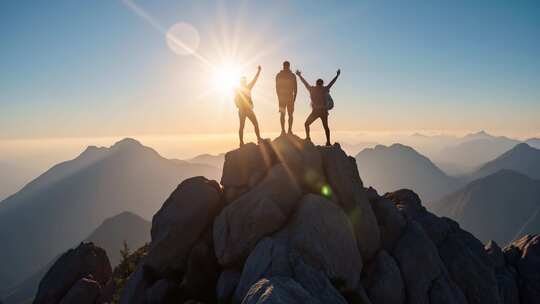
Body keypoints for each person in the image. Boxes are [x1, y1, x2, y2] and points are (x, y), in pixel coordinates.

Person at [295, 69, 340, 146]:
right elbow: (331, 83)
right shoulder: (324, 89)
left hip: (315, 111)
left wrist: (299, 75)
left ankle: (308, 138)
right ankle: (328, 142)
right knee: (326, 127)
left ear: (316, 83)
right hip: (323, 111)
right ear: (322, 84)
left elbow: (305, 83)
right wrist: (337, 75)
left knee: (306, 124)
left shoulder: (312, 89)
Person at [235, 65, 263, 147]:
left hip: (242, 110)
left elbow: (235, 101)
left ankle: (241, 142)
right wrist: (259, 71)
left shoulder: (238, 90)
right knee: (255, 124)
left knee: (242, 126)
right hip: (248, 109)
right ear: (244, 82)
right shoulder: (248, 87)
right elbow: (255, 79)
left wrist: (239, 107)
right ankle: (258, 139)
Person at [275, 61, 297, 135]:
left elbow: (295, 88)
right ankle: (283, 130)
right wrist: (279, 98)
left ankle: (289, 130)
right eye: (285, 66)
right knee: (283, 114)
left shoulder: (292, 75)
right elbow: (277, 88)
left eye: (286, 66)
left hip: (288, 98)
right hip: (283, 98)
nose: (286, 67)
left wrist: (294, 99)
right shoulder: (279, 75)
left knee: (289, 114)